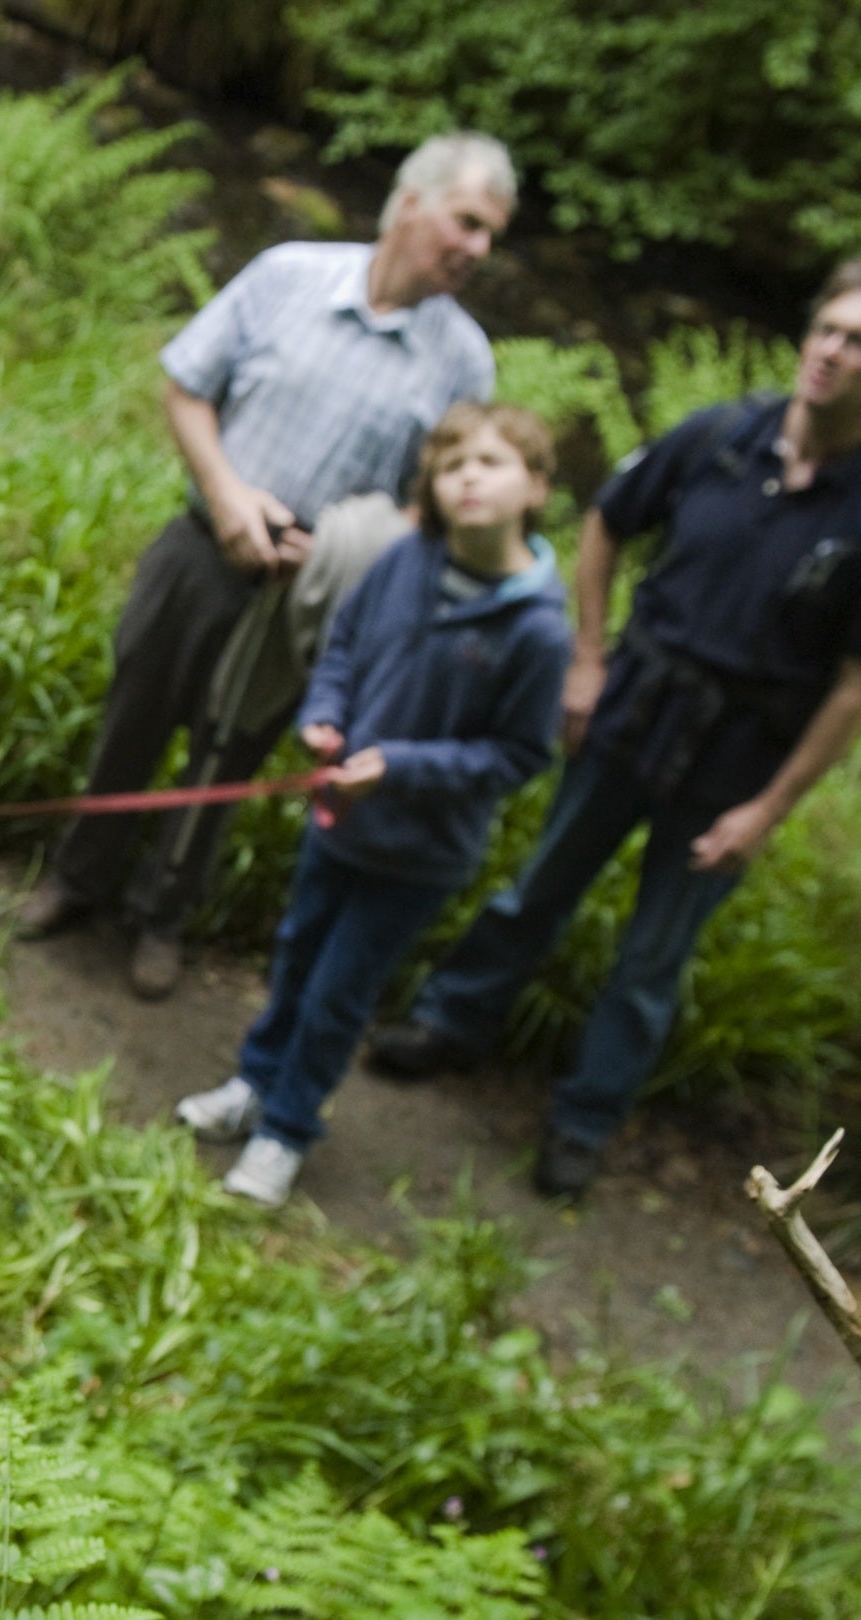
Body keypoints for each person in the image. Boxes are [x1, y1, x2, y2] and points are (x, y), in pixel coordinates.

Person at [364, 257, 861, 1199]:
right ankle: (450, 1024)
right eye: (828, 329)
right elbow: (608, 522)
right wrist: (587, 660)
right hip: (636, 703)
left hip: (740, 755)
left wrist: (768, 809)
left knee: (653, 957)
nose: (833, 354)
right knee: (538, 885)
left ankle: (582, 1125)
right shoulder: (726, 435)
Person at [17, 133, 516, 998]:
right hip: (200, 548)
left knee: (232, 751)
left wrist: (341, 552)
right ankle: (75, 880)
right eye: (466, 222)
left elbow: (432, 502)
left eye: (490, 236)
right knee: (134, 715)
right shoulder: (290, 275)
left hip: (307, 595)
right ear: (410, 203)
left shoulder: (463, 359)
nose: (476, 249)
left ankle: (162, 917)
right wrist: (227, 497)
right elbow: (186, 386)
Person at [176, 403, 572, 1209]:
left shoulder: (538, 630)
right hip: (339, 821)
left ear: (535, 486)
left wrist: (399, 766)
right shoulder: (405, 561)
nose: (468, 478)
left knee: (339, 994)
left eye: (491, 464)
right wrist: (322, 714)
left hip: (419, 854)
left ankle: (286, 1129)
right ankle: (254, 1083)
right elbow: (345, 647)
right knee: (295, 958)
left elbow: (520, 755)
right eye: (453, 465)